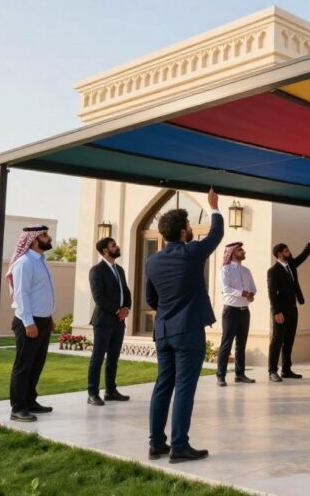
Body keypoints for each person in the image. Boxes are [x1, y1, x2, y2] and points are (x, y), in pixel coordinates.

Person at [146, 188, 223, 463]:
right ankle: (179, 446)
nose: (191, 229)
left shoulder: (152, 261)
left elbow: (150, 298)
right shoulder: (191, 253)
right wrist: (213, 207)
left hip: (163, 331)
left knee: (162, 386)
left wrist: (168, 313)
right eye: (189, 226)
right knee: (184, 388)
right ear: (182, 232)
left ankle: (156, 444)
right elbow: (216, 235)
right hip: (188, 331)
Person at [7, 224, 56, 423]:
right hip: (28, 321)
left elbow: (41, 294)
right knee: (23, 365)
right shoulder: (25, 262)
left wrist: (49, 317)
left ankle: (30, 400)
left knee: (37, 364)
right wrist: (28, 322)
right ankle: (18, 407)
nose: (49, 238)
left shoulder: (41, 261)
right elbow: (21, 295)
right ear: (34, 240)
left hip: (42, 320)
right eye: (45, 235)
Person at [86, 237, 132, 405]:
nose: (117, 246)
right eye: (113, 245)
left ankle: (111, 391)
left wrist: (127, 308)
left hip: (119, 321)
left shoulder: (119, 269)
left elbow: (126, 291)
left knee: (113, 357)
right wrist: (117, 310)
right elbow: (99, 297)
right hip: (104, 320)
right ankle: (92, 393)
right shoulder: (96, 271)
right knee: (97, 357)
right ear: (105, 250)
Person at [266, 232, 310, 382]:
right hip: (281, 312)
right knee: (277, 341)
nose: (290, 252)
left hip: (293, 309)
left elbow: (303, 256)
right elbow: (272, 293)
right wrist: (277, 312)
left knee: (289, 341)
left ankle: (286, 370)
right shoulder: (273, 271)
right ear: (279, 254)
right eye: (287, 251)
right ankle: (272, 371)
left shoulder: (291, 265)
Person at [216, 242, 257, 386]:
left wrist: (251, 294)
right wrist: (243, 293)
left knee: (241, 344)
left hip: (245, 312)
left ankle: (240, 374)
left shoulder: (246, 271)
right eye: (240, 250)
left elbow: (253, 288)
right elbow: (226, 288)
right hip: (231, 311)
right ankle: (221, 376)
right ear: (232, 253)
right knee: (226, 344)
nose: (243, 251)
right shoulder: (225, 270)